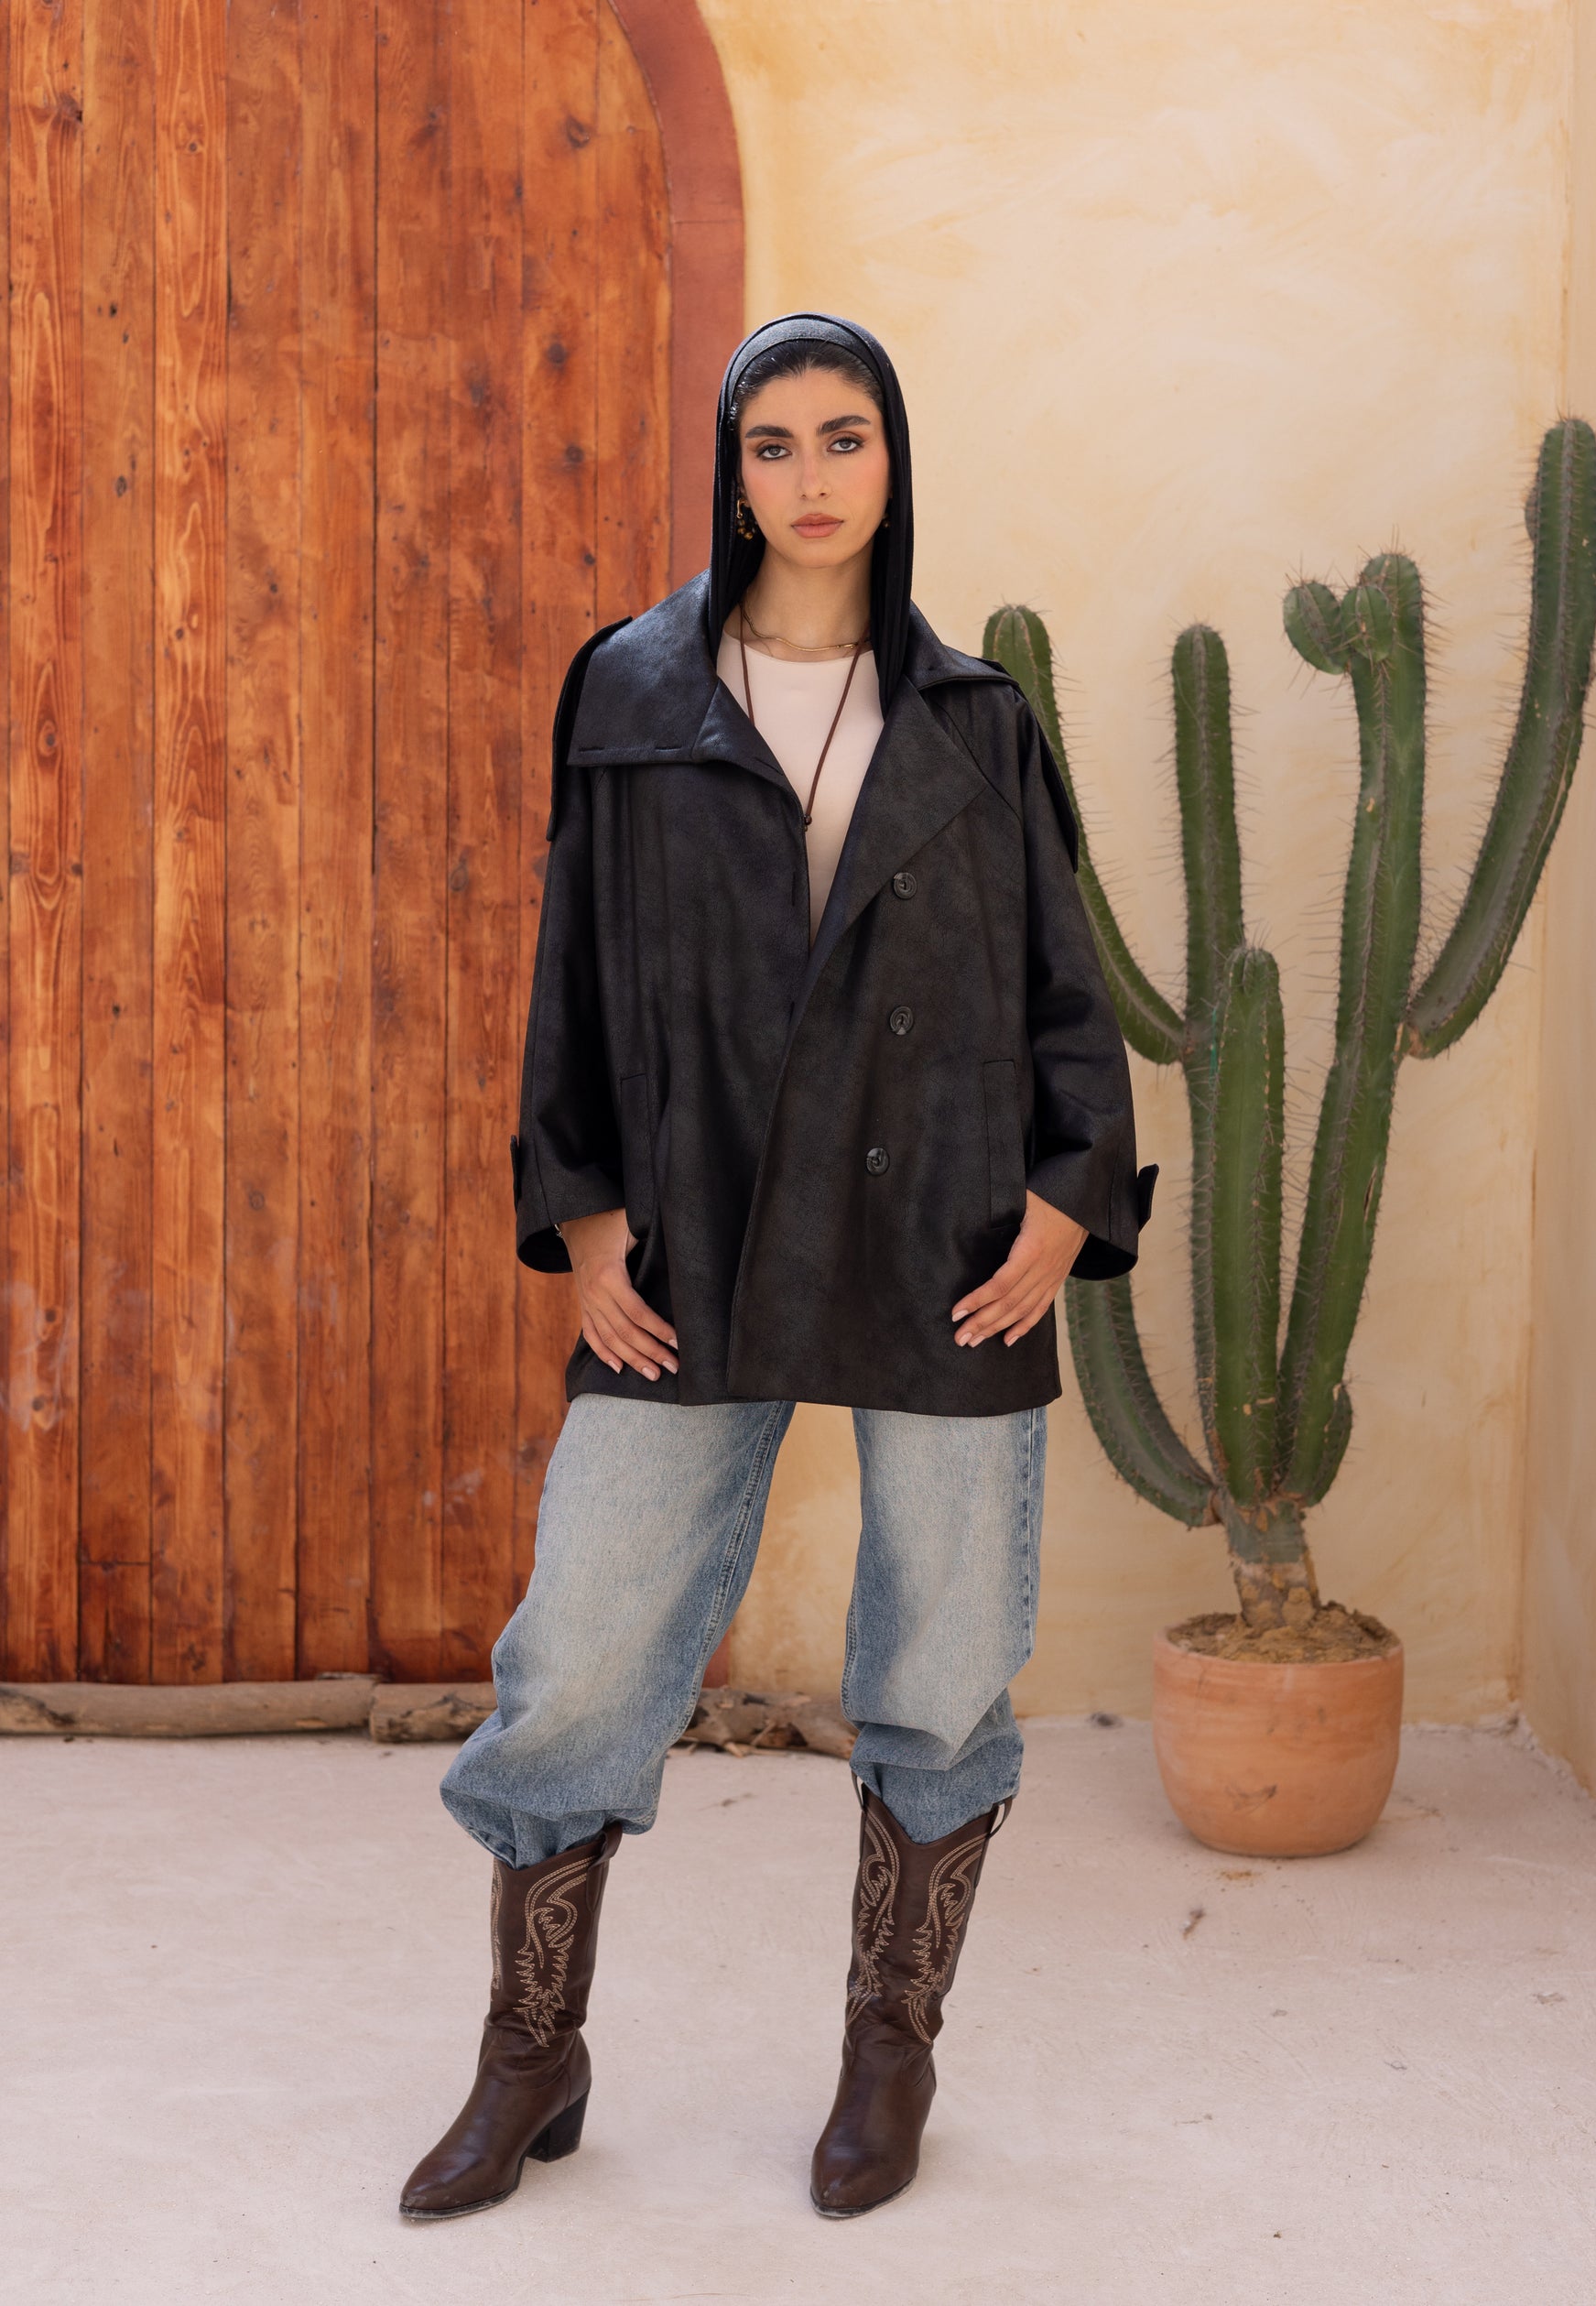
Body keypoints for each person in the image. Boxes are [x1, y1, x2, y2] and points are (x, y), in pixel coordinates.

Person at [398, 313, 1157, 2224]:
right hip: (693, 1229)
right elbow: (571, 976)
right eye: (772, 443)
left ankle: (888, 2049)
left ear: (892, 463)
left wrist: (1067, 1198)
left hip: (944, 1233)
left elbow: (1060, 987)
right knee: (582, 1643)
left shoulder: (974, 715)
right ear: (731, 471)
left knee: (944, 1654)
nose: (811, 478)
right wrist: (584, 1219)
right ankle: (529, 2047)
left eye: (845, 438)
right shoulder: (633, 688)